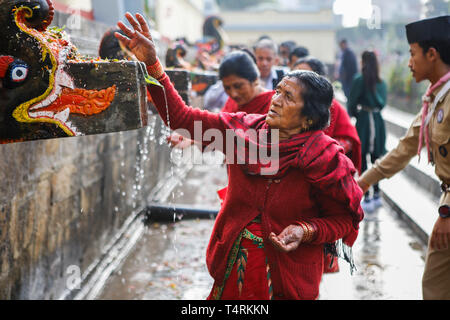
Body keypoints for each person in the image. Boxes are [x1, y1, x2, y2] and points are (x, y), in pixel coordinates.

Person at [115, 12, 364, 300]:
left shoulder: (325, 158)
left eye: (288, 97)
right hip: (235, 264)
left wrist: (306, 230)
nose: (276, 100)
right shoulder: (242, 128)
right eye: (278, 91)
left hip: (290, 275)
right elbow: (182, 117)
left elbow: (344, 219)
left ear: (309, 119)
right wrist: (152, 64)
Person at [356, 15, 450, 300]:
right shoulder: (435, 100)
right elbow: (403, 150)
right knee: (435, 285)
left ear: (431, 55)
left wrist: (447, 214)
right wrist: (359, 184)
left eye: (412, 54)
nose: (409, 63)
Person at [293, 56, 362, 273]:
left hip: (321, 182)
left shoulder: (333, 109)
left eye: (306, 76)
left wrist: (320, 153)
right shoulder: (285, 106)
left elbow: (349, 140)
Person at [347, 51, 387, 213]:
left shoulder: (359, 80)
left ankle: (367, 194)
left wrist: (359, 115)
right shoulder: (381, 82)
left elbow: (351, 103)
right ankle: (377, 192)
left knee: (363, 159)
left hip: (364, 120)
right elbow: (383, 103)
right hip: (377, 121)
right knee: (377, 159)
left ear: (363, 62)